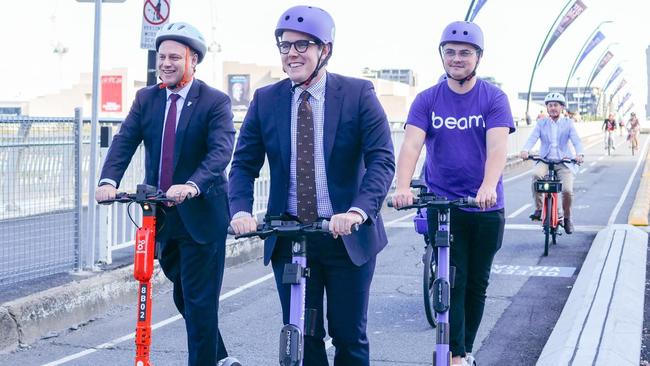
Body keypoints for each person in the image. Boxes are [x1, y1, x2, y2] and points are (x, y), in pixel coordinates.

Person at [228, 5, 395, 365]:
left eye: (303, 45)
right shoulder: (266, 99)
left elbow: (382, 159)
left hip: (345, 234)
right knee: (303, 337)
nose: (292, 53)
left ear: (326, 50)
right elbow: (243, 164)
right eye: (285, 45)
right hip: (290, 235)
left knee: (349, 337)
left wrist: (358, 211)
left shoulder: (357, 94)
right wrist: (240, 210)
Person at [94, 22, 240, 366]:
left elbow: (220, 151)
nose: (167, 63)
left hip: (202, 213)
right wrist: (108, 180)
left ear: (194, 60)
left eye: (175, 56)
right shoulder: (147, 98)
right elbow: (125, 140)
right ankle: (220, 358)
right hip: (161, 215)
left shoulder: (214, 102)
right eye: (162, 57)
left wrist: (192, 185)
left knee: (200, 300)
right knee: (185, 297)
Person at [391, 21, 514, 366]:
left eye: (465, 52)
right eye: (451, 52)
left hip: (486, 206)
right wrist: (403, 186)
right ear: (442, 56)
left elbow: (498, 147)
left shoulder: (493, 98)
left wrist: (488, 185)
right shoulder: (428, 99)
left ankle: (464, 350)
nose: (457, 58)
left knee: (477, 283)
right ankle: (456, 357)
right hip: (444, 204)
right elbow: (412, 144)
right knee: (453, 280)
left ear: (478, 57)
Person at [519, 92, 584, 234]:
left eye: (556, 105)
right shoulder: (541, 123)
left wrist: (579, 154)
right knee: (536, 176)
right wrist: (525, 150)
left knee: (567, 191)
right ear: (547, 108)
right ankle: (539, 208)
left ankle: (567, 218)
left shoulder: (568, 123)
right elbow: (532, 138)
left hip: (564, 161)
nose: (553, 108)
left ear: (562, 107)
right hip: (545, 159)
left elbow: (576, 141)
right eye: (550, 105)